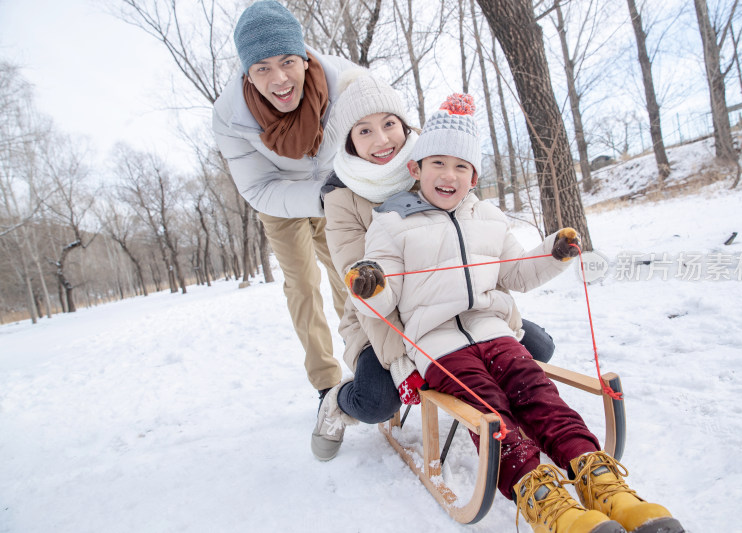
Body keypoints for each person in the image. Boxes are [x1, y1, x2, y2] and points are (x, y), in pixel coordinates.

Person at [345, 94, 684, 533]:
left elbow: (516, 273)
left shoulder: (487, 216)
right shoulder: (391, 222)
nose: (449, 175)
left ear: (474, 176)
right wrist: (371, 284)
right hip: (437, 344)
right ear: (416, 169)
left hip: (494, 330)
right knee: (492, 409)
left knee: (538, 393)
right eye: (438, 164)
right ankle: (542, 498)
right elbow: (384, 297)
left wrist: (552, 253)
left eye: (461, 167)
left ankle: (602, 481)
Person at [312, 71, 556, 461]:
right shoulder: (341, 200)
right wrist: (401, 359)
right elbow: (366, 287)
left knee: (539, 347)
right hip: (382, 318)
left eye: (389, 124)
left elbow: (476, 246)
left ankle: (503, 393)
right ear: (349, 142)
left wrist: (502, 327)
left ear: (405, 124)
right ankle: (337, 402)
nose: (382, 140)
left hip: (455, 308)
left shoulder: (435, 160)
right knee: (378, 402)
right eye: (364, 131)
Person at [212, 1, 356, 412]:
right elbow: (257, 187)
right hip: (279, 199)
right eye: (261, 68)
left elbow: (381, 134)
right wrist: (321, 195)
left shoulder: (344, 81)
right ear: (247, 73)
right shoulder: (229, 117)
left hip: (338, 188)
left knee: (350, 276)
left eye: (287, 61)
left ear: (305, 57)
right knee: (303, 285)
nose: (278, 79)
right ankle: (327, 383)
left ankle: (366, 360)